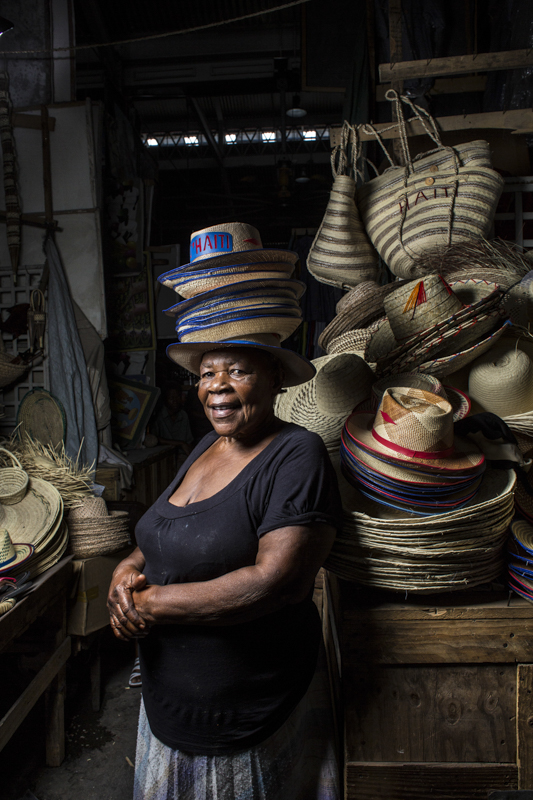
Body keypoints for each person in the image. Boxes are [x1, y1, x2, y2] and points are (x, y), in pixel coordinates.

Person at [108, 342, 342, 800]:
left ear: (275, 379)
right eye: (206, 373)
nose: (216, 385)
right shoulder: (208, 445)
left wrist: (148, 603)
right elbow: (160, 535)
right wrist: (124, 570)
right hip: (169, 701)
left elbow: (277, 583)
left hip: (238, 712)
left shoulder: (297, 454)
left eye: (237, 371)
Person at [150, 384, 194, 455]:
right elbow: (154, 439)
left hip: (181, 455)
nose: (175, 401)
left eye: (177, 397)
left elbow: (189, 441)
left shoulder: (183, 415)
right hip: (163, 456)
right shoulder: (158, 415)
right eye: (171, 398)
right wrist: (180, 443)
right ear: (165, 399)